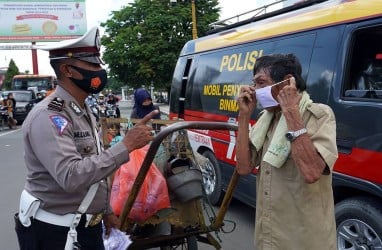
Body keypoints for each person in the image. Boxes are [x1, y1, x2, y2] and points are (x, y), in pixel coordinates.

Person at [15, 27, 158, 250]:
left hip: (85, 225)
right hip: (57, 233)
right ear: (67, 70)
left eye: (99, 64)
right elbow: (71, 176)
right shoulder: (50, 115)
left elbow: (94, 166)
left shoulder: (82, 110)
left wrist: (105, 211)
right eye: (92, 65)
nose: (99, 71)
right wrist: (127, 145)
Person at [235, 54, 338, 250]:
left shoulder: (320, 115)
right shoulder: (267, 119)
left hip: (304, 241)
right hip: (269, 238)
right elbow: (243, 167)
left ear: (287, 82)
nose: (255, 91)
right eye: (254, 84)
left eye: (261, 83)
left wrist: (291, 112)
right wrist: (243, 116)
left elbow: (312, 172)